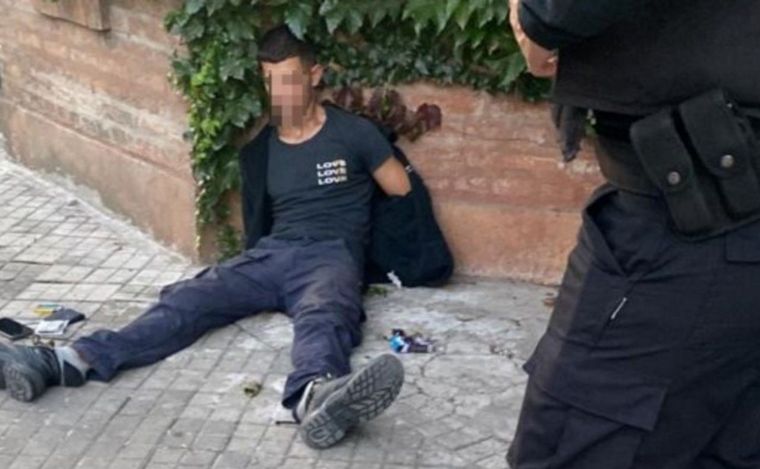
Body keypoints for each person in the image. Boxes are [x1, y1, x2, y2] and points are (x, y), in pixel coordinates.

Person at [0, 25, 414, 450]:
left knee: (325, 313)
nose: (280, 93)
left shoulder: (354, 134)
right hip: (272, 255)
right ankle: (67, 360)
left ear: (314, 75)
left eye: (289, 80)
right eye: (270, 82)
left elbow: (402, 195)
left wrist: (369, 253)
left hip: (330, 255)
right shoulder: (266, 147)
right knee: (190, 298)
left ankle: (315, 393)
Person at [507, 1, 760, 467]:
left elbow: (554, 16)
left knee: (571, 445)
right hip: (707, 211)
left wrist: (532, 15)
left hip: (690, 227)